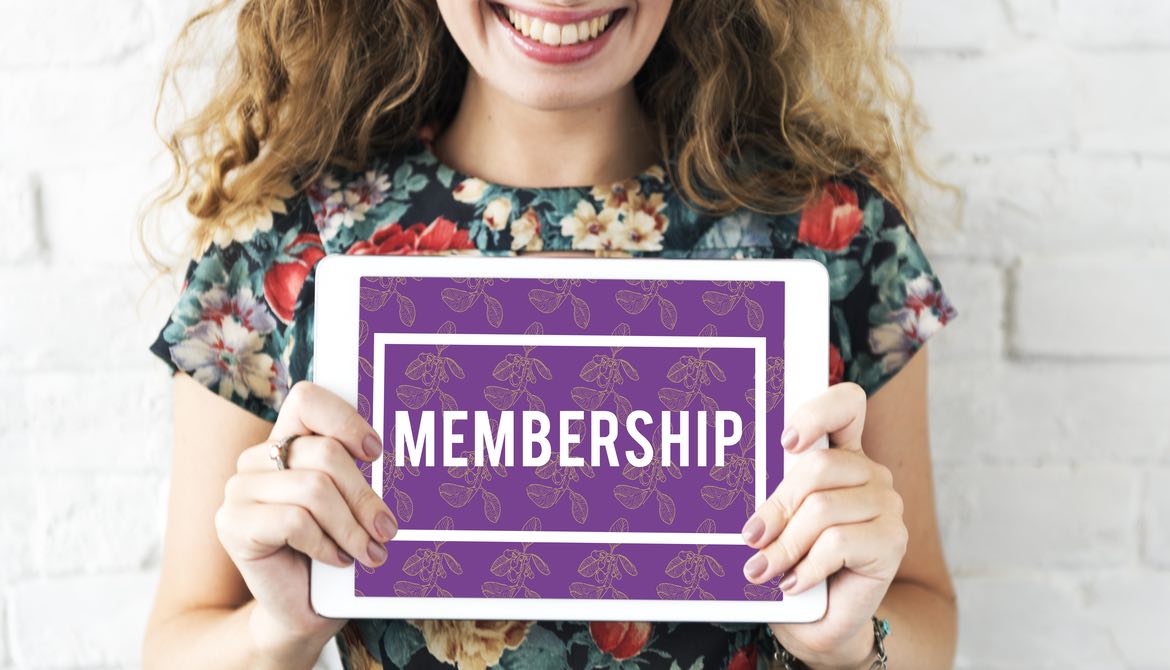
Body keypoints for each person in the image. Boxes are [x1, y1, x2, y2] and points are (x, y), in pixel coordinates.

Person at [139, 1, 960, 668]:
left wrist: (852, 643)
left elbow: (922, 609)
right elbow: (179, 636)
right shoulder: (283, 243)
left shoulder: (839, 232)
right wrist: (278, 630)